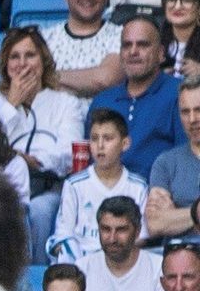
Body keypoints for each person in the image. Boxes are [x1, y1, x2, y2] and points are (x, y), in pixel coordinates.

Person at [0, 26, 89, 262]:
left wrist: (33, 161)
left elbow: (69, 152)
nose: (23, 64)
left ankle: (38, 277)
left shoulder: (66, 103)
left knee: (40, 210)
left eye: (30, 55)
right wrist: (11, 105)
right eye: (15, 57)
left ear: (43, 61)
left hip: (48, 184)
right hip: (2, 184)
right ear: (6, 65)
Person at [48, 108, 148, 263]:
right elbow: (63, 233)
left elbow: (142, 236)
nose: (100, 145)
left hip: (122, 260)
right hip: (81, 263)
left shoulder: (138, 187)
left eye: (108, 138)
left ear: (125, 143)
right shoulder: (75, 184)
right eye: (94, 139)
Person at [88, 16, 184, 179]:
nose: (133, 51)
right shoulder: (102, 101)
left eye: (143, 44)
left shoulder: (179, 94)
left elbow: (188, 158)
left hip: (157, 194)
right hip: (105, 195)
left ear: (161, 54)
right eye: (127, 45)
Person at [42, 0, 124, 100]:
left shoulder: (122, 35)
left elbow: (105, 79)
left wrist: (45, 76)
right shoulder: (44, 38)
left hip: (101, 120)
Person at [146, 77, 200, 243]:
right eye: (185, 112)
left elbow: (166, 221)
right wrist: (195, 213)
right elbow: (155, 223)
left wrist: (176, 215)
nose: (192, 119)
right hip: (178, 260)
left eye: (198, 110)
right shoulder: (166, 163)